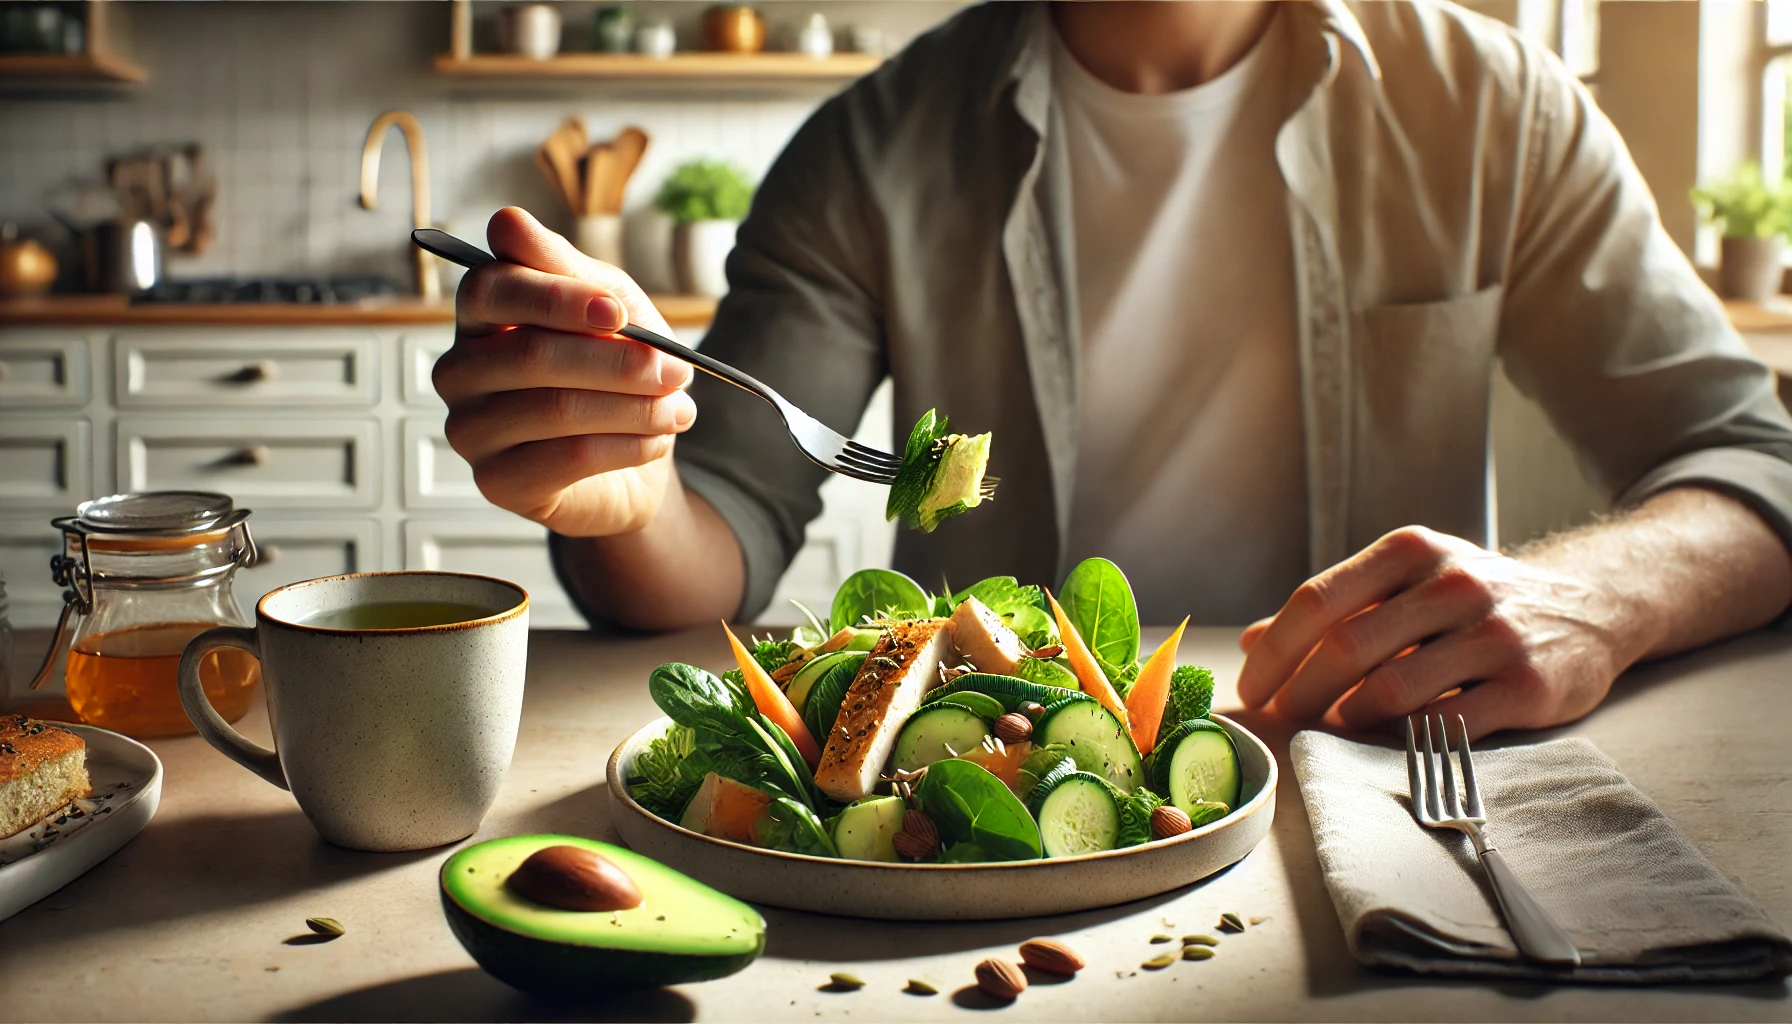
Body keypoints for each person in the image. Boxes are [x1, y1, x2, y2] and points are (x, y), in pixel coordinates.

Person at [434, 0, 1792, 740]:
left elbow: (1754, 465)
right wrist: (618, 489)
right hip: (1001, 799)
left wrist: (1588, 597)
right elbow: (715, 536)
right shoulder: (874, 148)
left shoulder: (1497, 106)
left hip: (1386, 773)